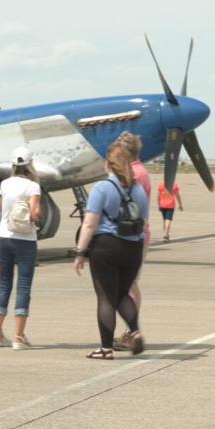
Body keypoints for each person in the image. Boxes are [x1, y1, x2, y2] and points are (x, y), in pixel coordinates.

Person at [73, 142, 148, 360]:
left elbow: (90, 223)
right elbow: (143, 221)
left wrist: (80, 251)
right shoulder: (138, 190)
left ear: (108, 163)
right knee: (122, 293)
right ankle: (135, 331)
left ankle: (106, 349)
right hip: (133, 247)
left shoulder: (102, 188)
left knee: (106, 297)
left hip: (107, 246)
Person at [0, 147, 41, 350]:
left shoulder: (5, 184)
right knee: (23, 286)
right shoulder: (33, 186)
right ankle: (18, 337)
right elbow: (35, 213)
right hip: (26, 239)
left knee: (4, 284)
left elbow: (0, 207)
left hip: (4, 237)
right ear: (30, 165)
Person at [111, 132, 151, 351]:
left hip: (131, 235)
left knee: (129, 285)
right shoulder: (139, 171)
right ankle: (130, 331)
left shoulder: (134, 174)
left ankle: (131, 332)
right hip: (133, 235)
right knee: (128, 284)